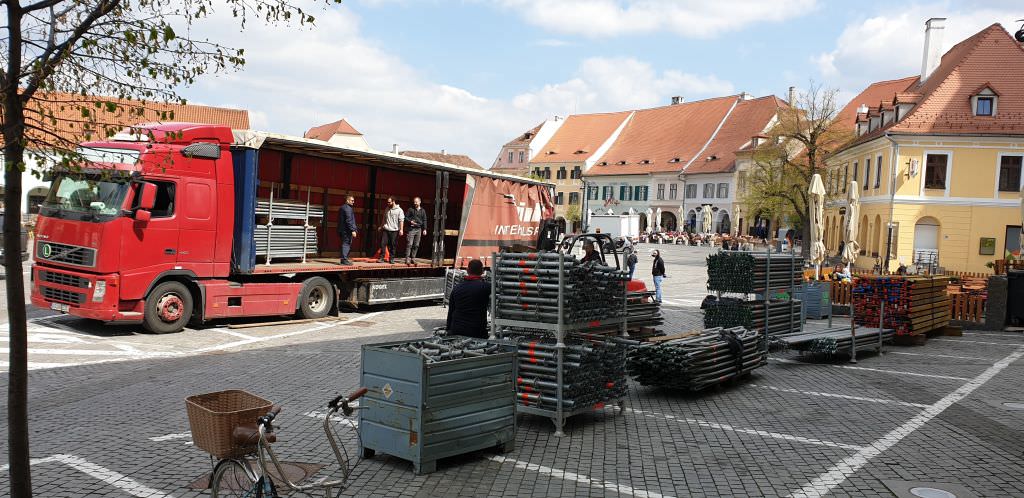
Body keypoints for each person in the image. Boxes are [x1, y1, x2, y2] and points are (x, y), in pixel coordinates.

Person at [446, 259, 490, 338]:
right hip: (476, 331)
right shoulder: (486, 287)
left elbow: (451, 311)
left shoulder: (457, 288)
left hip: (456, 330)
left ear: (467, 270)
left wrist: (448, 330)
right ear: (482, 271)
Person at [378, 196, 404, 264]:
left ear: (393, 201)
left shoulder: (399, 210)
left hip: (394, 230)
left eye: (389, 202)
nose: (388, 203)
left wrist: (401, 230)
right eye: (387, 202)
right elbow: (384, 218)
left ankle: (391, 258)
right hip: (386, 229)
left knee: (393, 245)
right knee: (383, 243)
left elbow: (401, 220)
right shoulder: (387, 208)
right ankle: (382, 258)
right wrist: (381, 226)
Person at [405, 197, 428, 265]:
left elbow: (425, 220)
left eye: (416, 202)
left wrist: (425, 229)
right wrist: (410, 221)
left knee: (416, 245)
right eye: (414, 202)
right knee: (409, 244)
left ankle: (413, 258)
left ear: (420, 202)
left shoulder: (423, 211)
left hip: (419, 229)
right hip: (411, 229)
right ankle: (407, 258)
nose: (415, 203)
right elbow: (405, 217)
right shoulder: (410, 209)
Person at [337, 195, 358, 265]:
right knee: (346, 244)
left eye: (353, 200)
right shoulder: (348, 209)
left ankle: (344, 259)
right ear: (347, 200)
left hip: (342, 229)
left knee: (345, 244)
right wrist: (353, 230)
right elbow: (349, 220)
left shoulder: (342, 207)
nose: (353, 202)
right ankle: (344, 260)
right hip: (347, 230)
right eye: (352, 200)